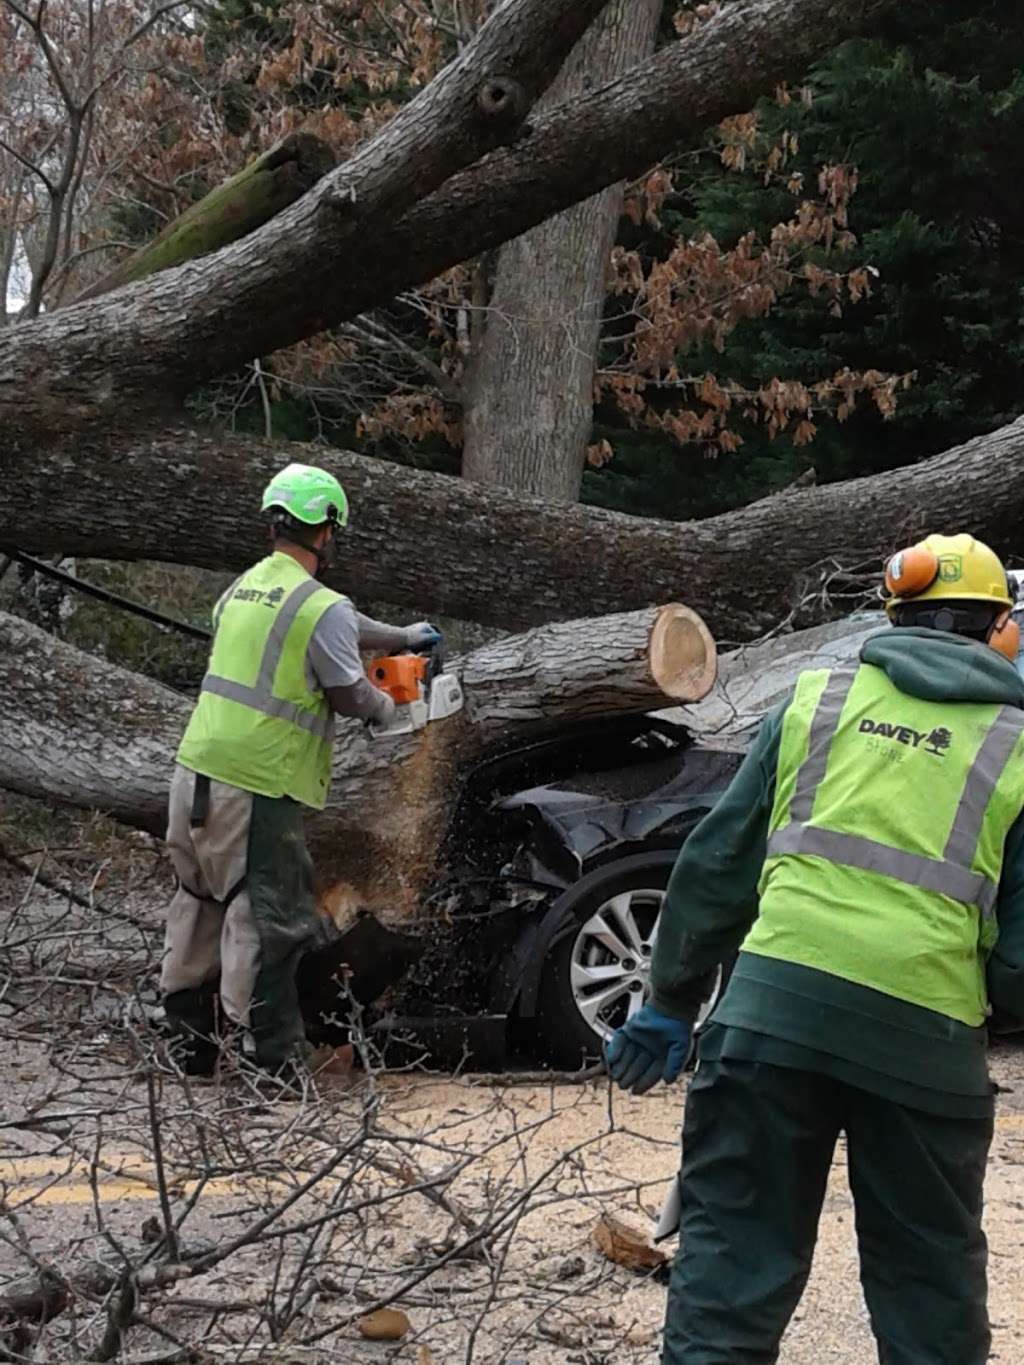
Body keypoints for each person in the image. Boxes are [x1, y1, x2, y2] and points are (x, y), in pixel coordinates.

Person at [606, 532, 1024, 1365]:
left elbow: (717, 864)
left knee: (727, 1278)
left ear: (891, 616)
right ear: (1000, 631)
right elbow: (1018, 960)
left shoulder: (814, 699)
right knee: (930, 1295)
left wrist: (669, 999)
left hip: (768, 1024)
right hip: (923, 1040)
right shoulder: (1018, 745)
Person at [161, 462, 439, 1080]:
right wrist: (393, 707)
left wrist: (403, 637)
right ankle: (275, 1061)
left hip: (195, 773)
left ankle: (187, 1049)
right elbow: (348, 691)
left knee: (198, 905)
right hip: (259, 782)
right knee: (271, 919)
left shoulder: (244, 588)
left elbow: (338, 624)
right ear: (328, 530)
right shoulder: (321, 605)